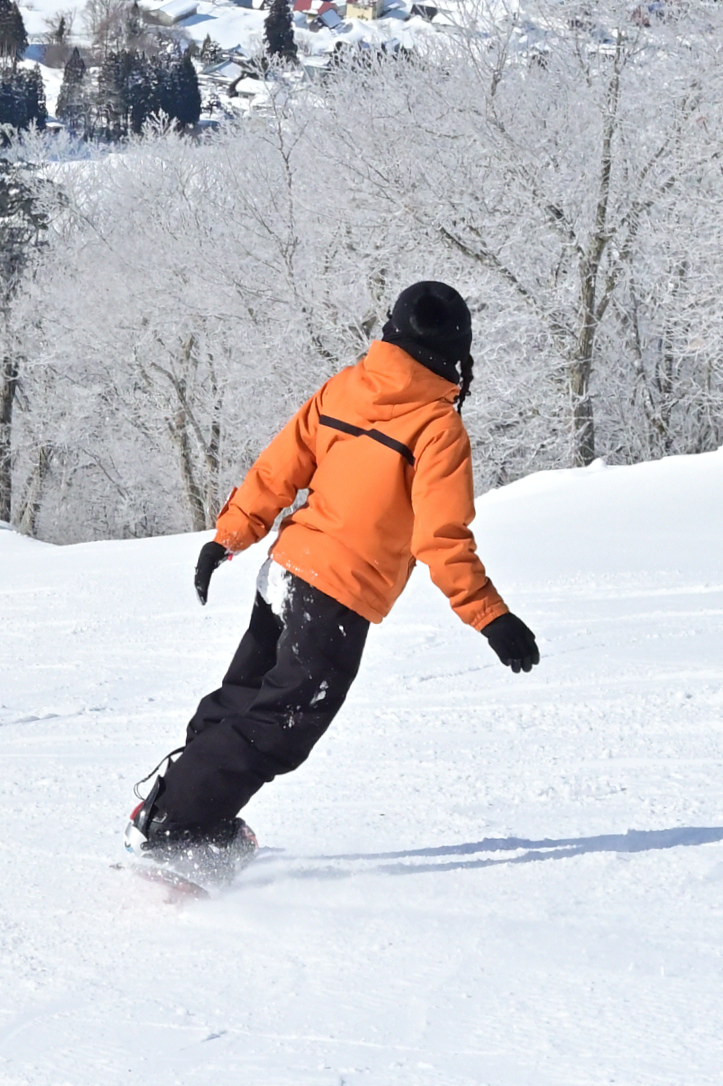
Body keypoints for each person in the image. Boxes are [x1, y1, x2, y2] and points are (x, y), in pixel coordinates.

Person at [128, 281, 539, 859]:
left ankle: (174, 807)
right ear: (458, 355)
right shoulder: (437, 427)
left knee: (244, 696)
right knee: (284, 720)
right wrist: (490, 616)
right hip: (336, 594)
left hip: (286, 569)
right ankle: (177, 829)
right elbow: (440, 537)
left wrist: (229, 537)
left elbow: (277, 470)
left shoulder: (344, 388)